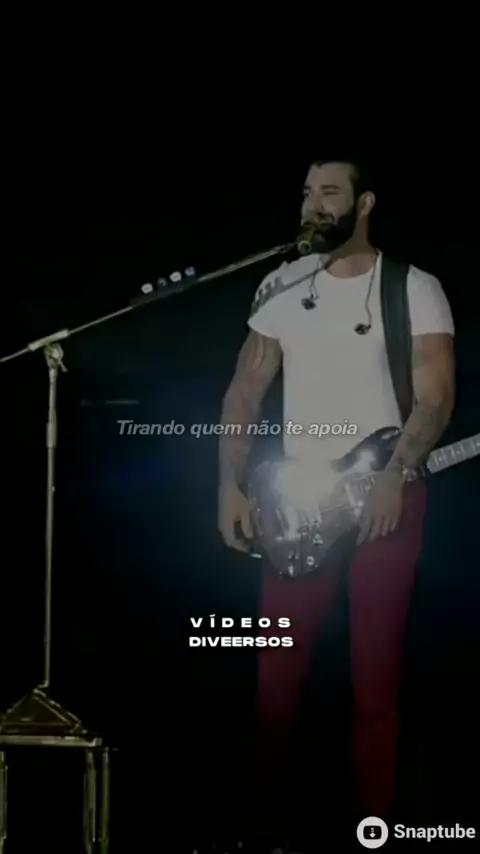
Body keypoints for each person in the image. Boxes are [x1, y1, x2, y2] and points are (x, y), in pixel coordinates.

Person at [217, 157, 455, 841]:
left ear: (364, 202)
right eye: (306, 193)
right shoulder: (280, 284)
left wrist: (394, 476)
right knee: (275, 683)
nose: (312, 205)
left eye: (329, 192)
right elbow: (244, 392)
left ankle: (371, 830)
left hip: (388, 496)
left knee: (374, 682)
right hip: (297, 503)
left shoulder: (413, 287)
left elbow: (435, 399)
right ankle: (261, 831)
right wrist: (229, 485)